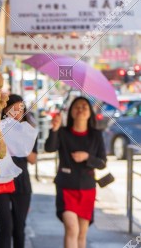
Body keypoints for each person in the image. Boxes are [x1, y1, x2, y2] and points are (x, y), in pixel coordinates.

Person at [45, 96, 107, 248]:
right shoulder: (63, 132)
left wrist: (87, 157)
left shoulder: (96, 135)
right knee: (72, 228)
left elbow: (102, 163)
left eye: (84, 106)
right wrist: (54, 129)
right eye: (77, 106)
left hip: (87, 188)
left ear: (90, 112)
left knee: (82, 234)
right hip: (66, 187)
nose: (80, 109)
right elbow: (49, 148)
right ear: (71, 112)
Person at [0, 94, 38, 248]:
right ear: (5, 110)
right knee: (6, 226)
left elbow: (33, 159)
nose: (17, 113)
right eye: (14, 110)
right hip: (0, 180)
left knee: (19, 228)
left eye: (21, 110)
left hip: (21, 182)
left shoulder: (28, 131)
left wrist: (22, 144)